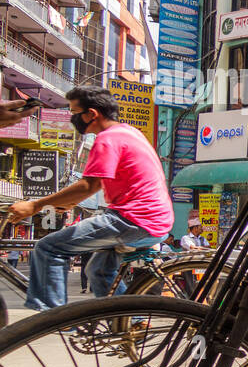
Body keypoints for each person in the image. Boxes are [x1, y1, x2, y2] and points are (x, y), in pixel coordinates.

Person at [5, 86, 173, 310]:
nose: (73, 118)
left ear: (92, 114)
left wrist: (35, 205)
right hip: (154, 221)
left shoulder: (107, 139)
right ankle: (129, 322)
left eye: (75, 112)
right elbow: (98, 185)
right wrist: (66, 203)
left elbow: (88, 185)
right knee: (98, 270)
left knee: (48, 248)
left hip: (132, 219)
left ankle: (52, 317)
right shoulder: (129, 132)